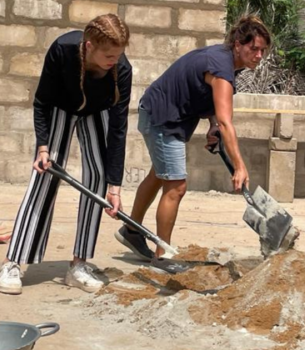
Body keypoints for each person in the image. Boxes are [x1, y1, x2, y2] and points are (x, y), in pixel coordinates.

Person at [115, 16, 271, 273]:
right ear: (237, 44)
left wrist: (211, 124)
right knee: (176, 186)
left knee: (160, 174)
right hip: (163, 118)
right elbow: (226, 121)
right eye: (253, 48)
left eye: (262, 50)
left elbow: (212, 107)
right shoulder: (222, 67)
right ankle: (163, 256)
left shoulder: (227, 62)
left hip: (159, 112)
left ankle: (132, 230)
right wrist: (239, 166)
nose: (258, 55)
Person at [0, 14, 132, 295]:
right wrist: (43, 147)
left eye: (118, 55)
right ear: (89, 46)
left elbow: (118, 129)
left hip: (97, 111)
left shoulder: (122, 70)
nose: (113, 61)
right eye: (108, 55)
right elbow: (42, 101)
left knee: (96, 180)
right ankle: (12, 263)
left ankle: (79, 265)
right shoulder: (62, 50)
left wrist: (114, 185)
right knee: (45, 177)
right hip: (61, 108)